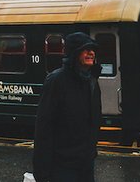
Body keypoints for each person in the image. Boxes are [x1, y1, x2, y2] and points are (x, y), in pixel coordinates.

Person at [33, 32, 102, 182]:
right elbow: (44, 129)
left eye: (92, 49)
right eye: (86, 49)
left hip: (85, 164)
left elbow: (94, 120)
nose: (91, 53)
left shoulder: (92, 81)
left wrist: (91, 152)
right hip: (62, 166)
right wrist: (42, 174)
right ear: (75, 53)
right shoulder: (56, 81)